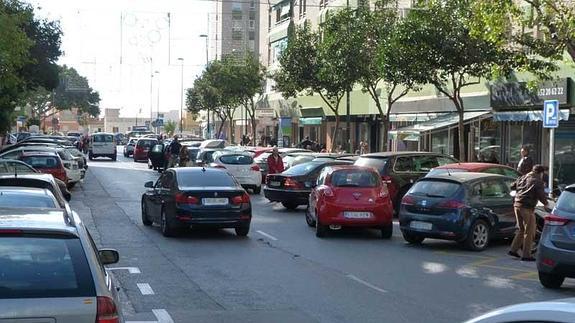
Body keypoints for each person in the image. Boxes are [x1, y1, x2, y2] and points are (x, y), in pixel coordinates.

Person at [508, 165, 549, 261]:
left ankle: (513, 250)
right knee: (529, 231)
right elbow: (541, 195)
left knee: (521, 229)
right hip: (527, 207)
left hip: (517, 205)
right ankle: (526, 255)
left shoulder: (523, 176)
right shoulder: (537, 180)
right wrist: (546, 204)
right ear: (541, 173)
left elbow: (512, 186)